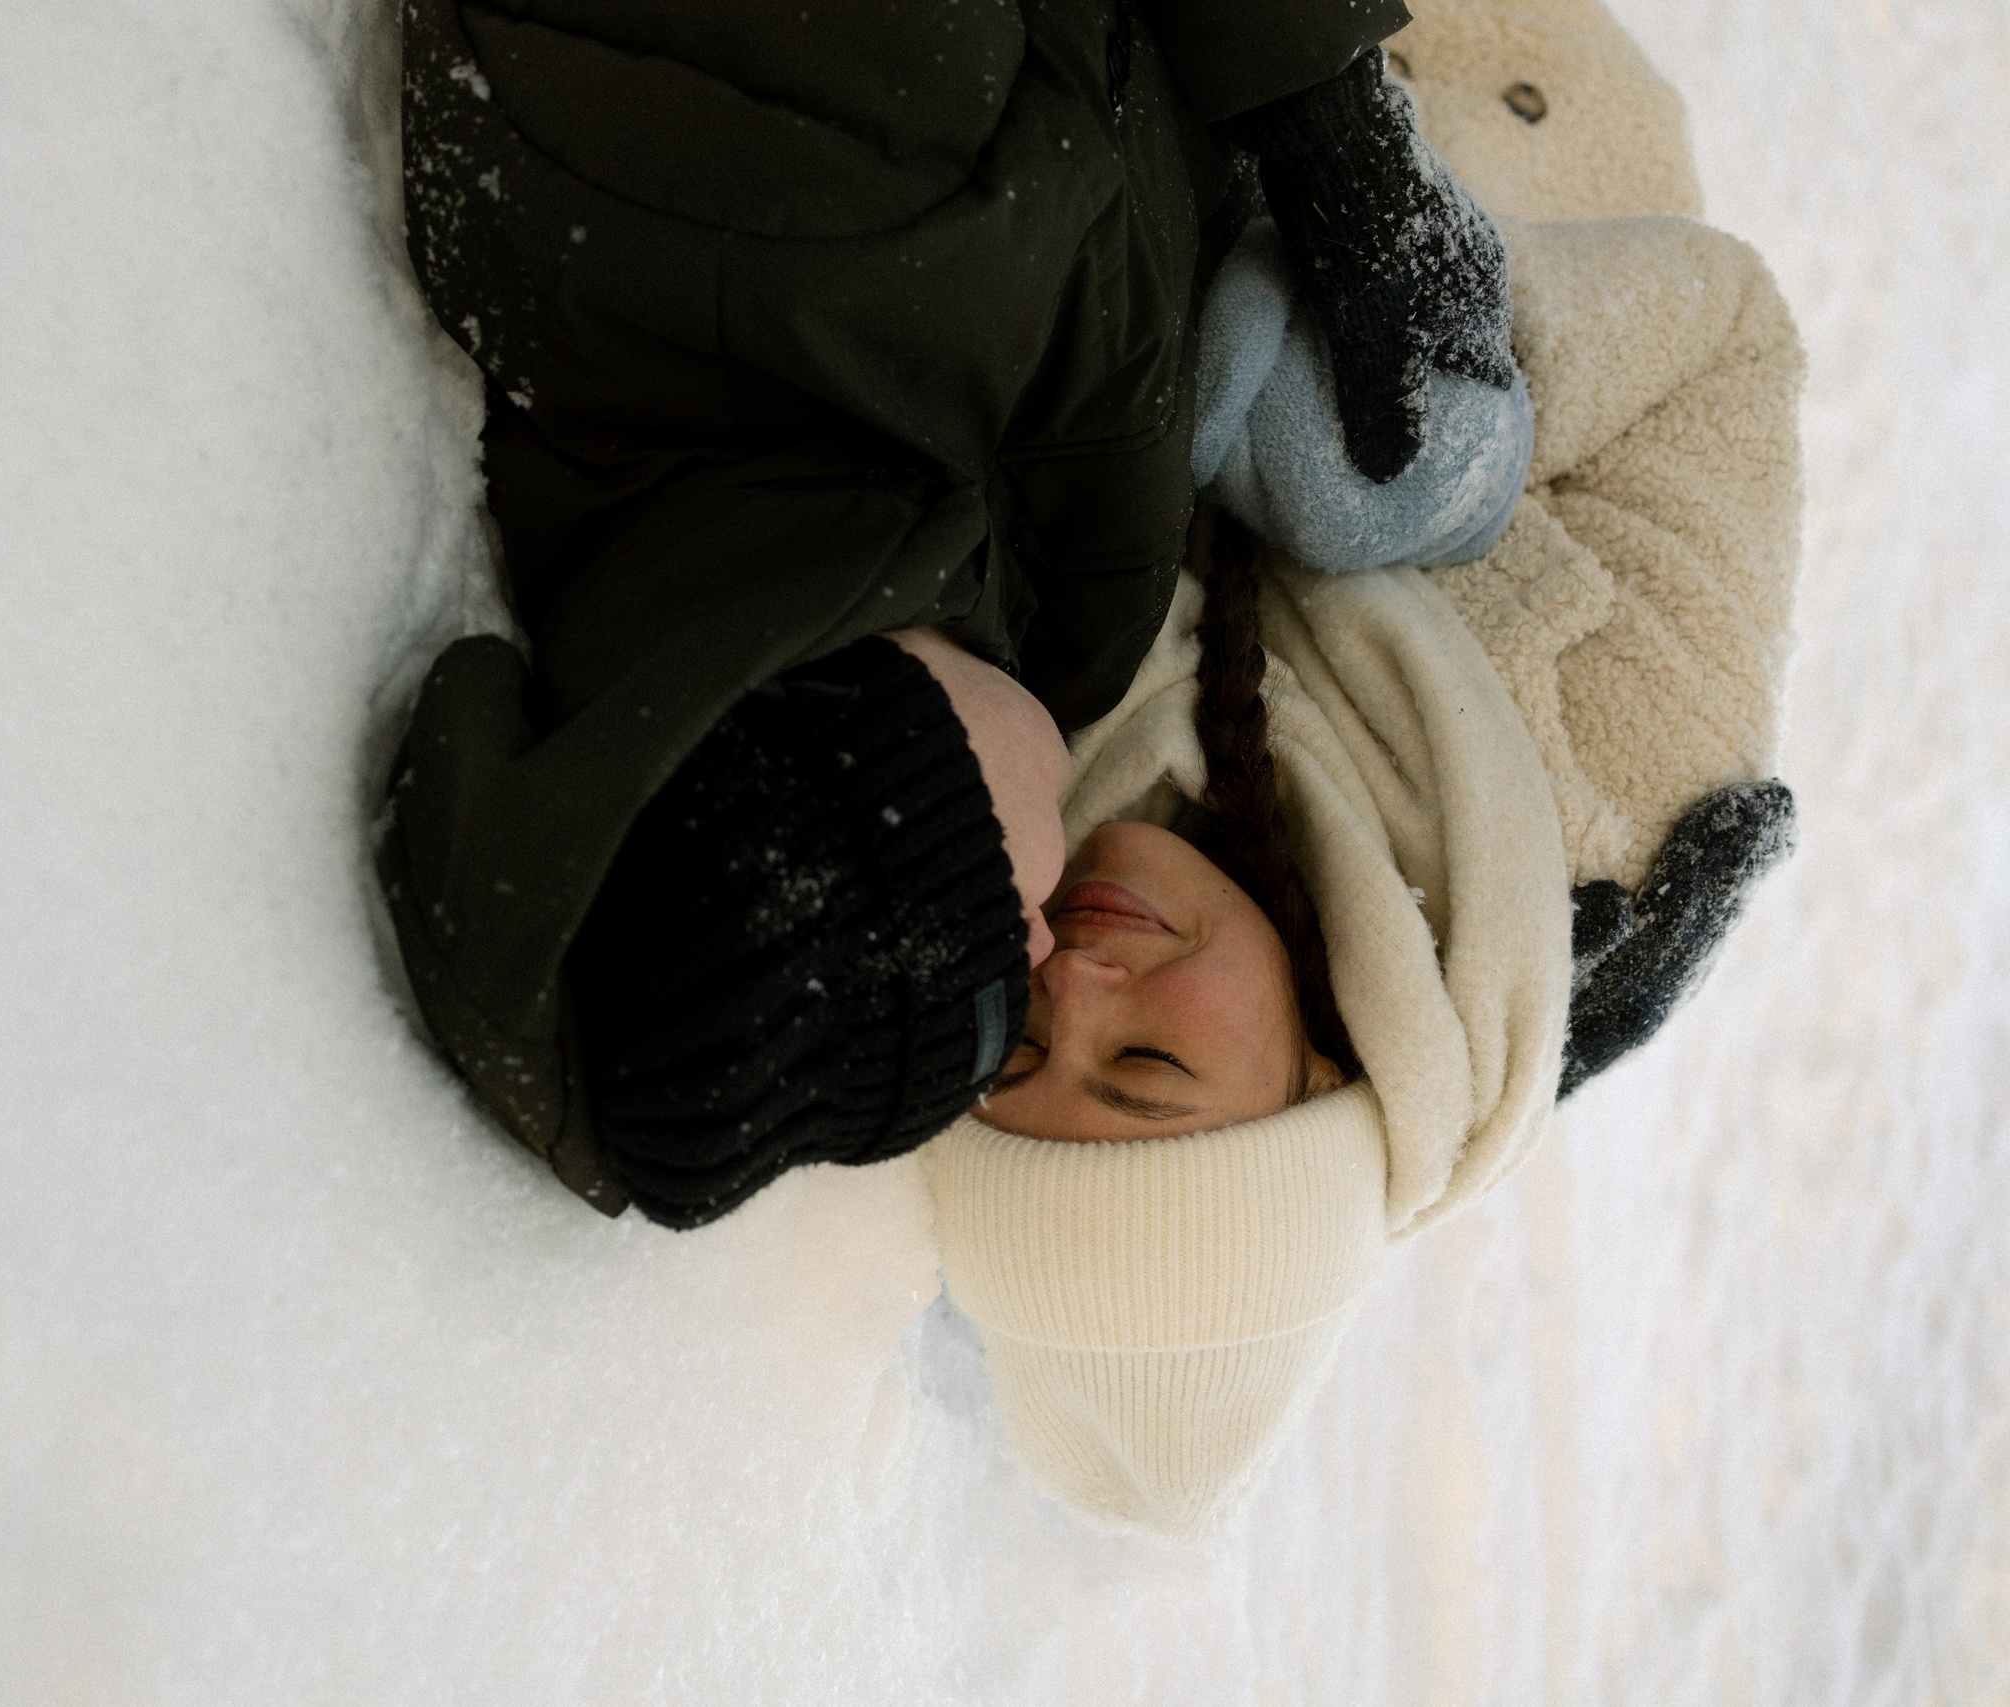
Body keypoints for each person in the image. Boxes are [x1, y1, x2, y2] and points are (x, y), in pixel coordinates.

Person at [381, 0, 1525, 1229]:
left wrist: (1327, 112)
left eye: (1001, 933)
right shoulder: (992, 628)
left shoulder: (810, 193)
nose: (1059, 968)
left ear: (900, 773)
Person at [922, 0, 1809, 1534]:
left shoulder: (1003, 816)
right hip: (1468, 72)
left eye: (1015, 1059)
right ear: (1324, 1084)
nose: (1071, 987)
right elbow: (1729, 344)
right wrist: (1460, 360)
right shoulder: (1616, 775)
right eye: (1147, 1068)